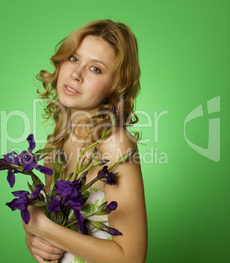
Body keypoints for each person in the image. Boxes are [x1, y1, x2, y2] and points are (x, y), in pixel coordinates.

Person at [23, 19, 147, 263]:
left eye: (96, 69)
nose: (76, 74)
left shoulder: (114, 143)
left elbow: (131, 258)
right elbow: (60, 231)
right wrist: (34, 237)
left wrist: (41, 226)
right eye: (74, 59)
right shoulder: (55, 145)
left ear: (115, 86)